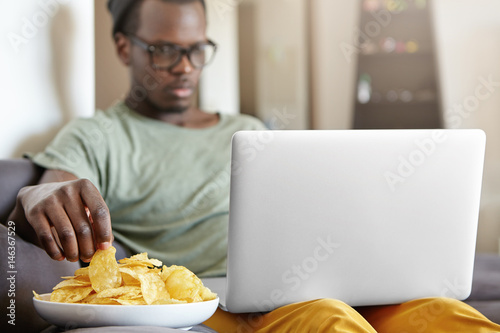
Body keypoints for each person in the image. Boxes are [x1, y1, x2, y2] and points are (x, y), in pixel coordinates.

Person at [5, 0, 500, 332]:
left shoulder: (248, 127)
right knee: (330, 320)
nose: (185, 67)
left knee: (447, 315)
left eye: (197, 50)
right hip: (217, 301)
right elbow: (51, 188)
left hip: (308, 280)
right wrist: (37, 196)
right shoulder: (97, 134)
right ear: (122, 48)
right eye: (165, 50)